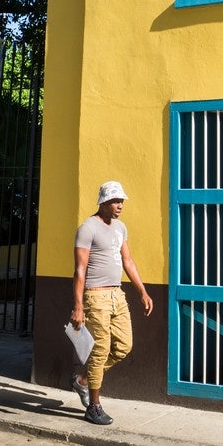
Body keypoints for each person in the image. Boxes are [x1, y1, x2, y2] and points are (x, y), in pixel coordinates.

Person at [69, 180, 153, 425]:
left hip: (117, 295)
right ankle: (93, 406)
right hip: (95, 296)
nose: (120, 206)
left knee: (124, 346)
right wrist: (78, 306)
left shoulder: (120, 228)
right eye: (116, 201)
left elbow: (128, 261)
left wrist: (142, 291)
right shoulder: (87, 228)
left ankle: (83, 380)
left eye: (122, 201)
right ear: (103, 202)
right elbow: (79, 270)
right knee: (100, 350)